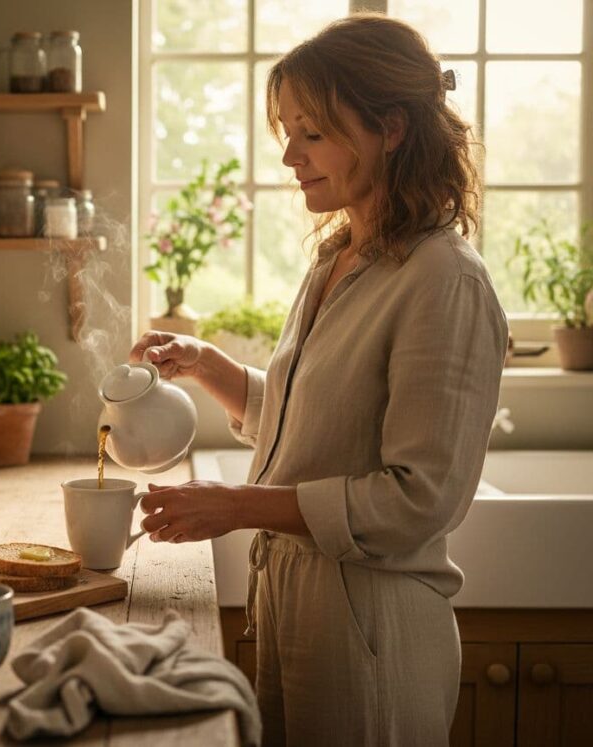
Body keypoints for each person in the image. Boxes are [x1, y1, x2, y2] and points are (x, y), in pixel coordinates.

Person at [130, 14, 509, 747]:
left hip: (373, 630)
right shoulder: (342, 257)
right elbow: (315, 424)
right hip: (297, 606)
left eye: (312, 132)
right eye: (288, 131)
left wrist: (237, 505)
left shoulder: (445, 281)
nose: (289, 156)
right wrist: (207, 364)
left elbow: (418, 496)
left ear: (390, 130)